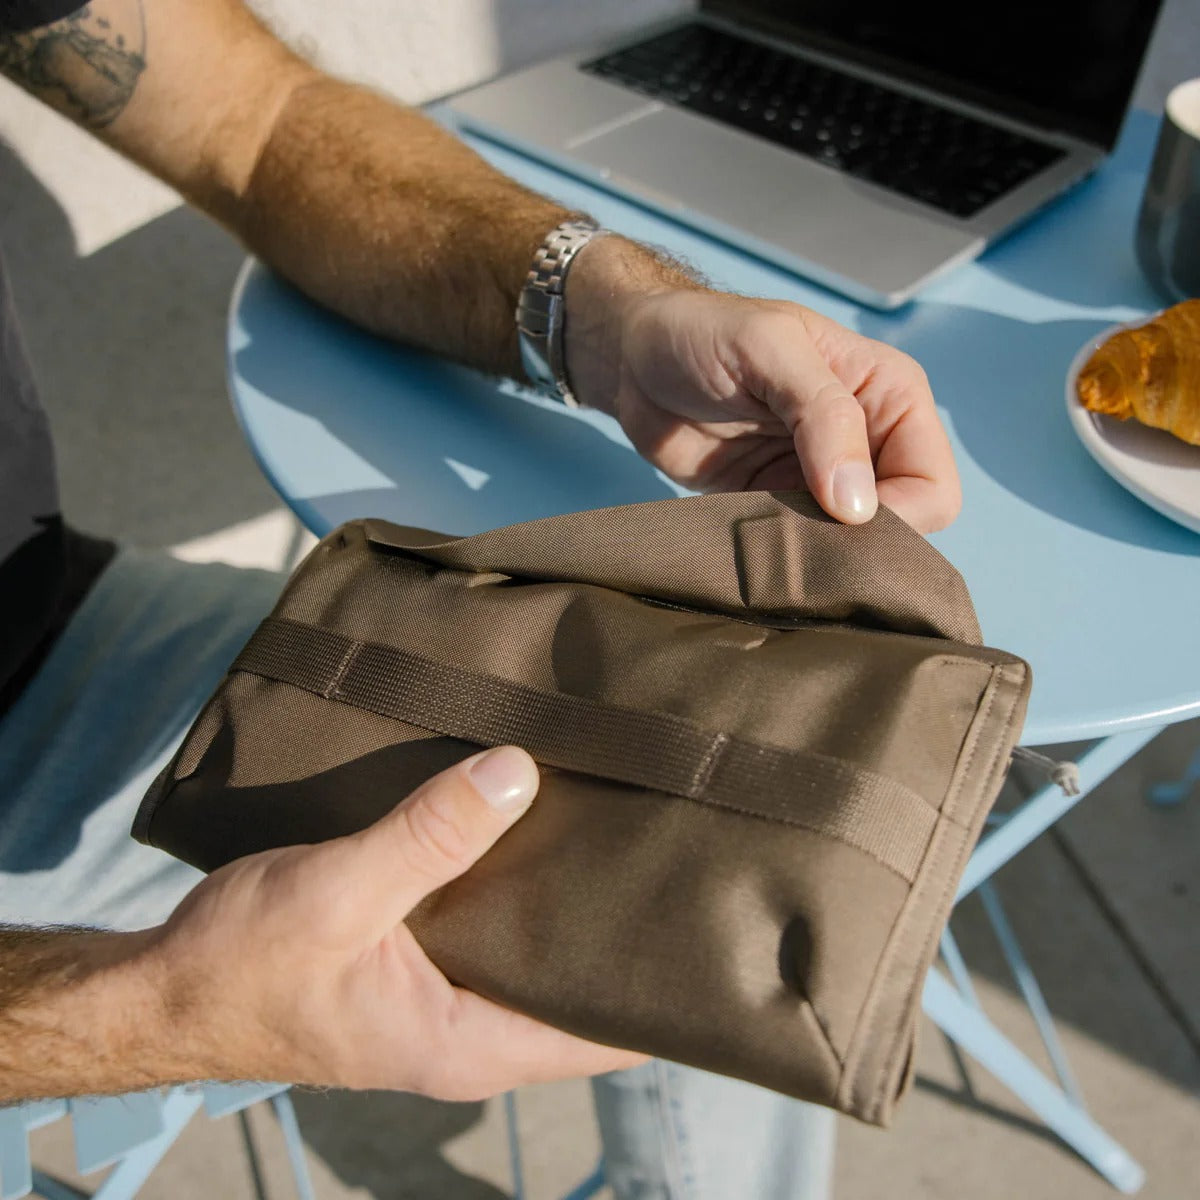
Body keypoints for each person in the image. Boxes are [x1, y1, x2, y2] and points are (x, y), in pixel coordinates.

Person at [0, 2, 960, 1196]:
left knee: (733, 845)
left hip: (52, 638)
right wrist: (148, 1009)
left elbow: (257, 119)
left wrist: (609, 315)